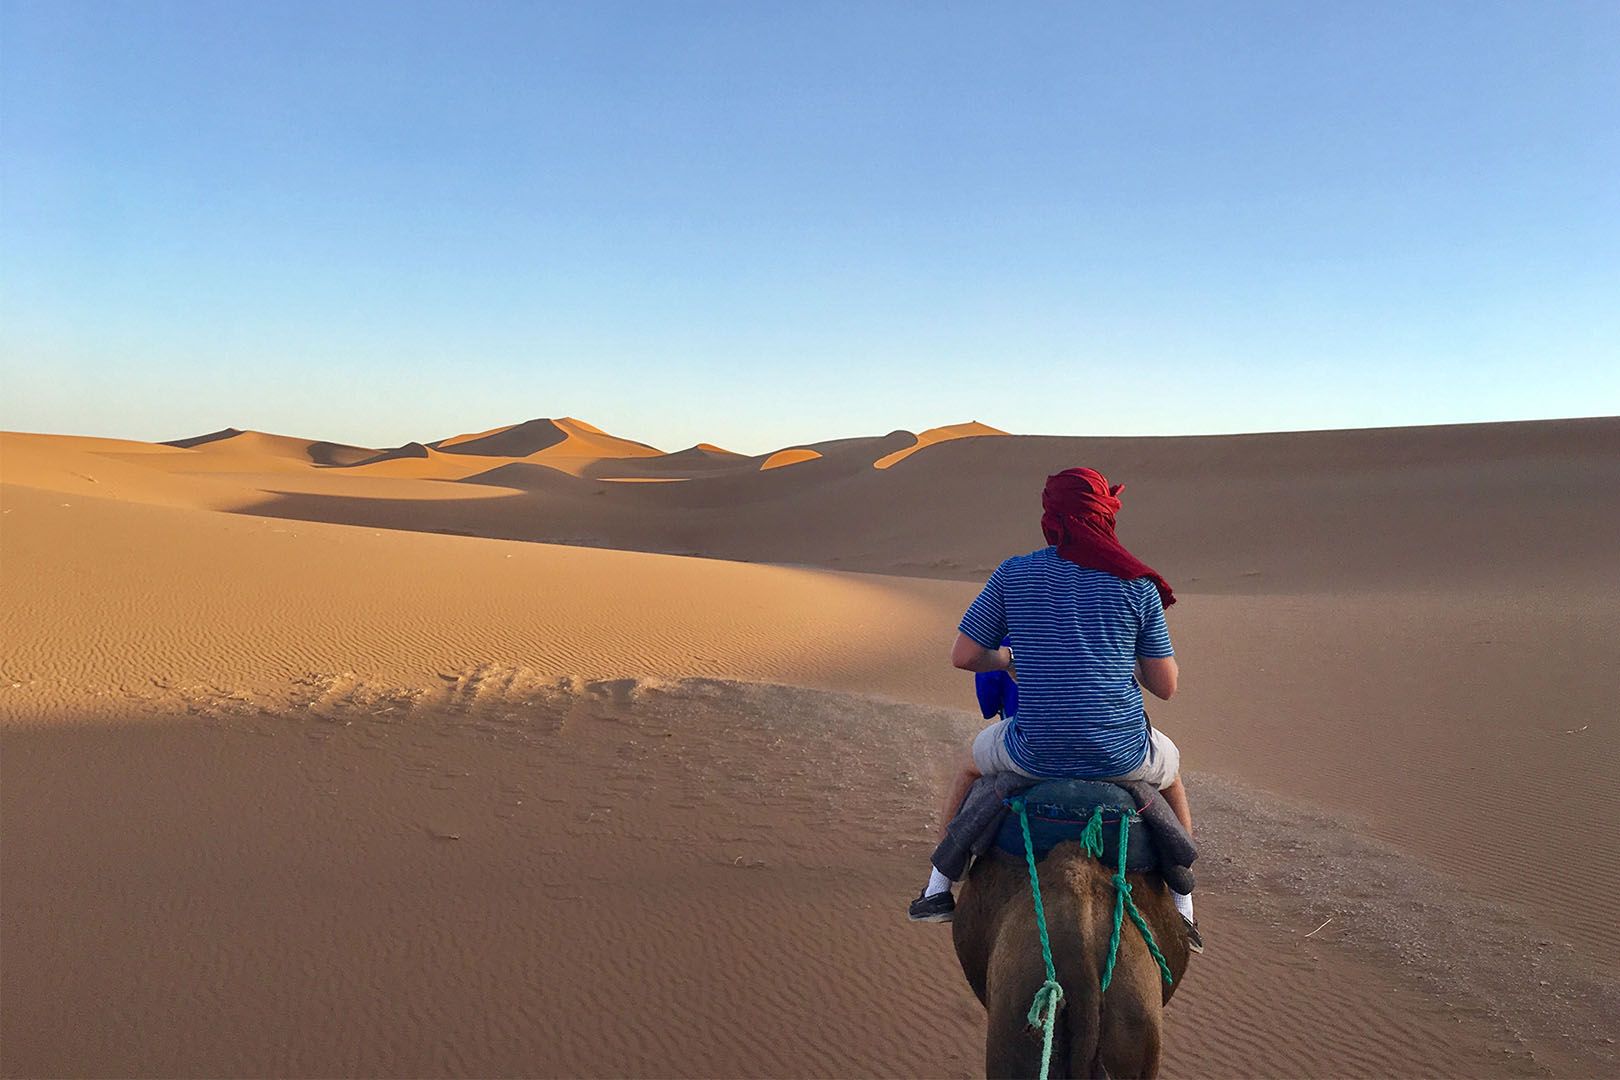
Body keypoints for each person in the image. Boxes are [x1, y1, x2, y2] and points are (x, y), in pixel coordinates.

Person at [909, 466, 1202, 952]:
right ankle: (1184, 905)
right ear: (1106, 517)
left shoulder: (1014, 573)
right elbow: (1165, 687)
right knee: (1171, 776)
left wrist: (1007, 659)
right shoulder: (1137, 583)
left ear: (1051, 518)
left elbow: (964, 655)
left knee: (969, 766)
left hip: (1034, 752)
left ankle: (938, 887)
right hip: (1122, 754)